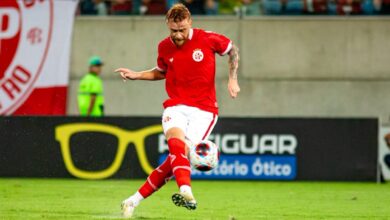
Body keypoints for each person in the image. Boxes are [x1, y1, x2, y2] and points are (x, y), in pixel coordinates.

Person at [115, 3, 240, 218]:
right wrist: (137, 75)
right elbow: (161, 71)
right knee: (176, 143)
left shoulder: (208, 39)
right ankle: (186, 191)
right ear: (168, 26)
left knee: (173, 161)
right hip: (176, 105)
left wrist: (233, 79)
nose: (178, 35)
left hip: (205, 110)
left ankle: (131, 201)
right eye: (174, 30)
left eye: (182, 29)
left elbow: (232, 50)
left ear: (190, 22)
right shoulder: (164, 46)